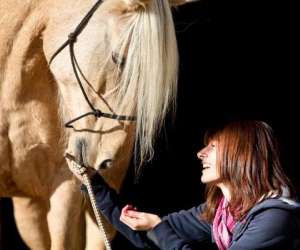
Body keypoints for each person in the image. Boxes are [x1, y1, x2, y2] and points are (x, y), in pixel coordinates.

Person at [68, 120, 300, 249]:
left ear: (241, 155)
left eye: (213, 147)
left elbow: (161, 232)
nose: (201, 153)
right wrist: (95, 184)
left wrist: (158, 227)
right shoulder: (222, 213)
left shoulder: (274, 218)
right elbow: (149, 236)